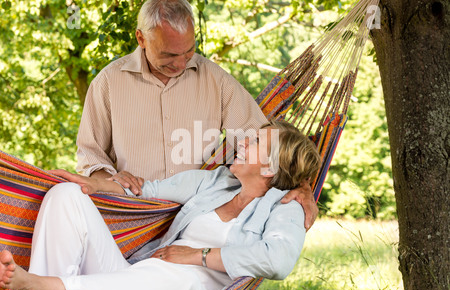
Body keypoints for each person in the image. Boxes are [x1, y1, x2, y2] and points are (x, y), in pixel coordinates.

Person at [0, 120, 321, 290]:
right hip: (135, 278)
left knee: (184, 281)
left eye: (253, 143)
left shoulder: (286, 209)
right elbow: (146, 191)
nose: (241, 143)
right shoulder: (215, 182)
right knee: (66, 194)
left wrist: (195, 256)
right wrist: (95, 185)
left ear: (268, 167)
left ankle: (36, 285)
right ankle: (48, 288)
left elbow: (278, 261)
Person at [76, 0, 319, 230]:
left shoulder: (216, 80)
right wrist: (111, 179)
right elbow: (90, 154)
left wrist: (303, 186)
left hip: (198, 219)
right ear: (141, 38)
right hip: (130, 217)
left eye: (189, 51)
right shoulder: (108, 83)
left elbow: (268, 146)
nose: (181, 64)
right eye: (169, 55)